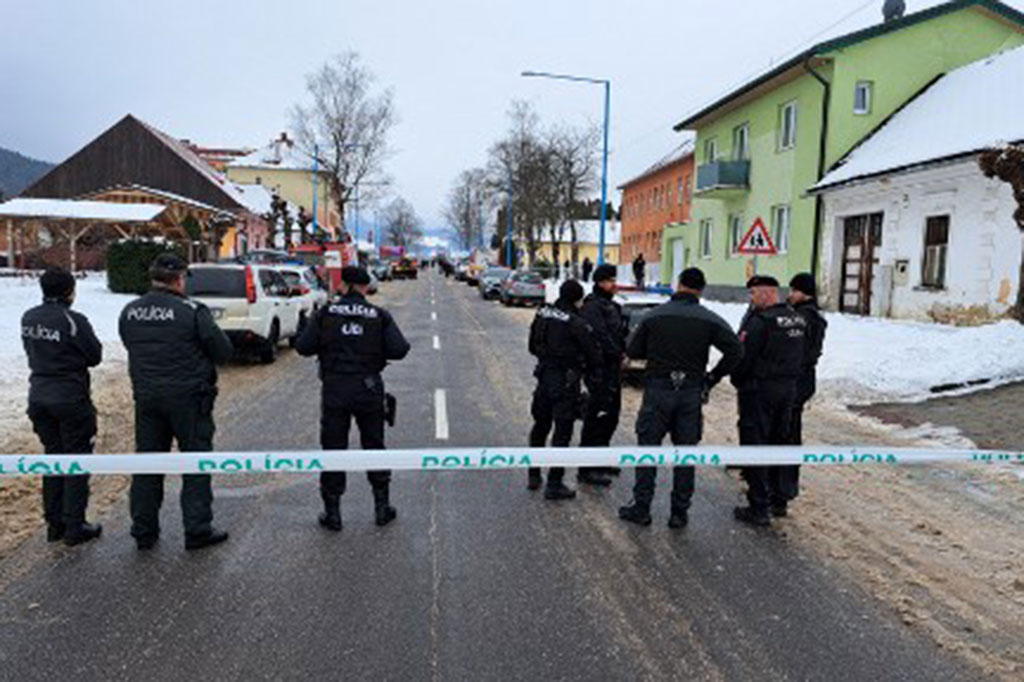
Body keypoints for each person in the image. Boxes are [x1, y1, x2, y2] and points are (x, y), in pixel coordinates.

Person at [119, 253, 234, 551]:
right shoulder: (192, 310)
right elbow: (223, 351)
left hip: (147, 399)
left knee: (148, 463)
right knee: (196, 462)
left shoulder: (130, 311)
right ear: (180, 278)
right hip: (189, 400)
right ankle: (197, 529)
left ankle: (144, 530)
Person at [618, 268, 743, 528]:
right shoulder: (710, 319)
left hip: (658, 389)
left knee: (647, 452)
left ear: (679, 285)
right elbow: (735, 350)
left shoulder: (654, 316)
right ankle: (679, 513)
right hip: (690, 392)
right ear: (701, 289)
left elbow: (632, 349)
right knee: (686, 454)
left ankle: (642, 507)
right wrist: (712, 377)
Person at [295, 265, 410, 530]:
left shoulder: (326, 314)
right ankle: (382, 507)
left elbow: (303, 347)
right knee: (374, 446)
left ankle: (332, 512)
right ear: (364, 287)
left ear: (344, 285)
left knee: (333, 448)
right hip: (368, 389)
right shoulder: (378, 315)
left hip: (335, 389)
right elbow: (399, 350)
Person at [21, 267, 104, 546]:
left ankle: (54, 523)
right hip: (70, 399)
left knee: (52, 457)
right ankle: (74, 525)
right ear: (70, 291)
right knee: (76, 459)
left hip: (39, 397)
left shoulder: (29, 317)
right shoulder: (73, 320)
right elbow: (94, 356)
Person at [731, 275, 807, 527]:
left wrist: (738, 380)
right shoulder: (797, 319)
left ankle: (758, 506)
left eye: (752, 294)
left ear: (764, 294)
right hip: (787, 391)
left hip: (759, 392)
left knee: (755, 444)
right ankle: (778, 499)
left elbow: (743, 357)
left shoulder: (760, 322)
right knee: (779, 443)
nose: (751, 300)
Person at [527, 279, 602, 500]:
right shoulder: (576, 322)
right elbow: (594, 355)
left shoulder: (542, 313)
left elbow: (532, 346)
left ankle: (533, 474)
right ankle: (554, 483)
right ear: (577, 299)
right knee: (562, 432)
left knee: (540, 426)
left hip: (543, 378)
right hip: (565, 382)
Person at [775, 272, 828, 516]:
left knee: (784, 436)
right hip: (803, 382)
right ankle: (782, 490)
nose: (790, 295)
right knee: (789, 434)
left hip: (794, 382)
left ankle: (780, 494)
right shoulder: (814, 316)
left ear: (803, 292)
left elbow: (794, 351)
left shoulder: (802, 318)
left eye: (793, 291)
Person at [578, 264, 626, 487]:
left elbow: (618, 333)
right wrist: (616, 353)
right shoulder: (592, 307)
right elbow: (600, 336)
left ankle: (601, 458)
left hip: (612, 370)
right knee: (595, 418)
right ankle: (587, 468)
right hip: (598, 371)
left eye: (614, 280)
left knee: (611, 416)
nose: (613, 284)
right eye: (609, 280)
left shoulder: (612, 305)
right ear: (599, 283)